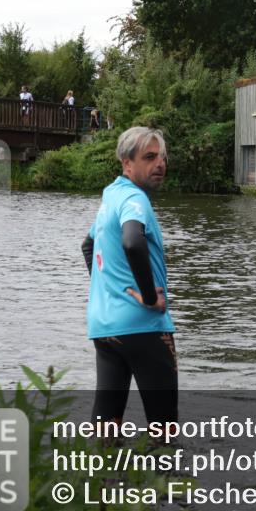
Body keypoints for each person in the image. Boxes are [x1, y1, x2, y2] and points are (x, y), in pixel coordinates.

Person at [81, 127, 177, 430]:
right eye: (149, 157)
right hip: (144, 326)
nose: (159, 163)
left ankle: (103, 476)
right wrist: (149, 297)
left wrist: (108, 292)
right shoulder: (135, 199)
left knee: (106, 427)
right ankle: (167, 475)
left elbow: (87, 245)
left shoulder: (112, 195)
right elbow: (132, 241)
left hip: (105, 327)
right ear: (127, 163)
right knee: (164, 430)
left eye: (162, 157)